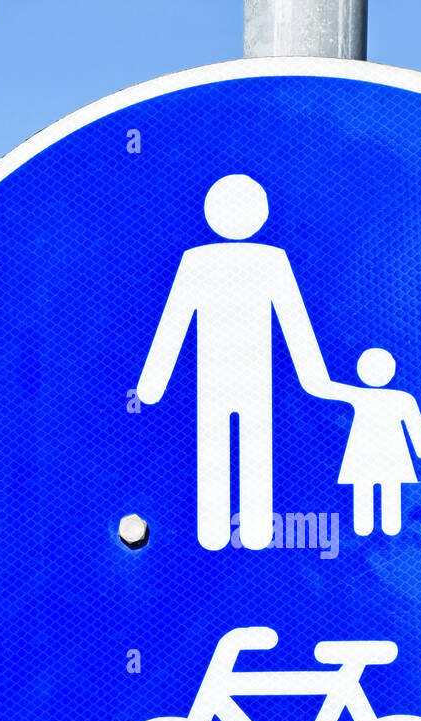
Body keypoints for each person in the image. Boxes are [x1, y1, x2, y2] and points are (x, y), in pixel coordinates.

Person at [135, 174, 331, 551]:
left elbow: (175, 322)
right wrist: (313, 377)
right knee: (248, 444)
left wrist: (152, 383)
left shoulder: (203, 261)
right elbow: (177, 318)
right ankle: (249, 531)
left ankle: (217, 531)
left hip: (223, 376)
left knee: (219, 444)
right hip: (243, 376)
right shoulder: (267, 260)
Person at [325, 348, 421, 536]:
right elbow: (416, 429)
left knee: (369, 488)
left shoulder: (362, 396)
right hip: (385, 454)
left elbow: (328, 387)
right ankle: (381, 527)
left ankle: (369, 527)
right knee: (375, 487)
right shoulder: (401, 398)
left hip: (370, 453)